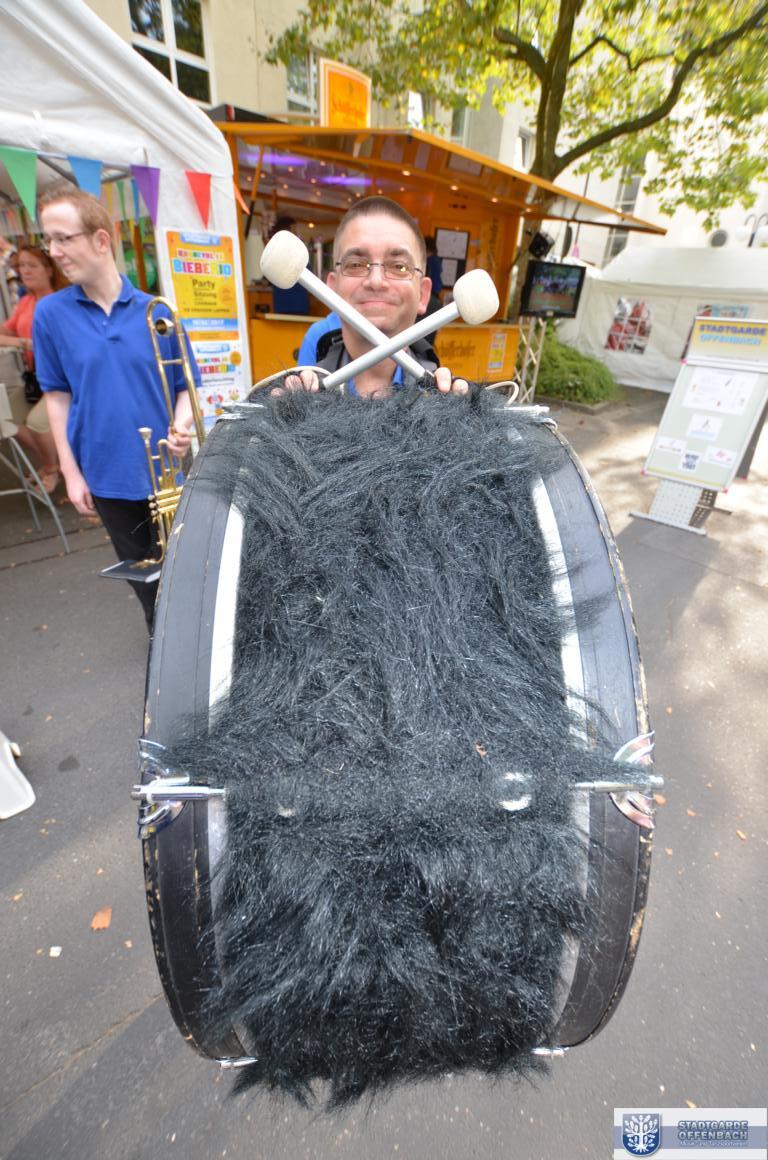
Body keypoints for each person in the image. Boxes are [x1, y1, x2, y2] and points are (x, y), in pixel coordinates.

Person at [33, 183, 197, 631]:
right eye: (49, 240)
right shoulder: (50, 315)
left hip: (168, 471)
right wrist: (70, 472)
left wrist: (182, 426)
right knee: (145, 583)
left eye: (63, 238)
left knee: (188, 569)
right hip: (105, 471)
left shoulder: (157, 311)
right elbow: (57, 397)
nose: (54, 251)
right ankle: (163, 650)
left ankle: (192, 648)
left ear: (101, 240)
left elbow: (185, 387)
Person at [283, 197, 468, 399]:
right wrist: (289, 409)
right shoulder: (317, 344)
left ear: (423, 295)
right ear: (332, 290)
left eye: (399, 267)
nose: (376, 281)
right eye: (355, 265)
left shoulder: (434, 393)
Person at [0, 245, 65, 492]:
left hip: (61, 379)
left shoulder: (60, 301)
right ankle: (54, 463)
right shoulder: (26, 302)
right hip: (35, 378)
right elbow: (6, 332)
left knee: (37, 422)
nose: (24, 271)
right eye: (21, 266)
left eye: (32, 265)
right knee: (5, 417)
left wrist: (21, 342)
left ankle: (52, 468)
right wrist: (23, 342)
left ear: (49, 270)